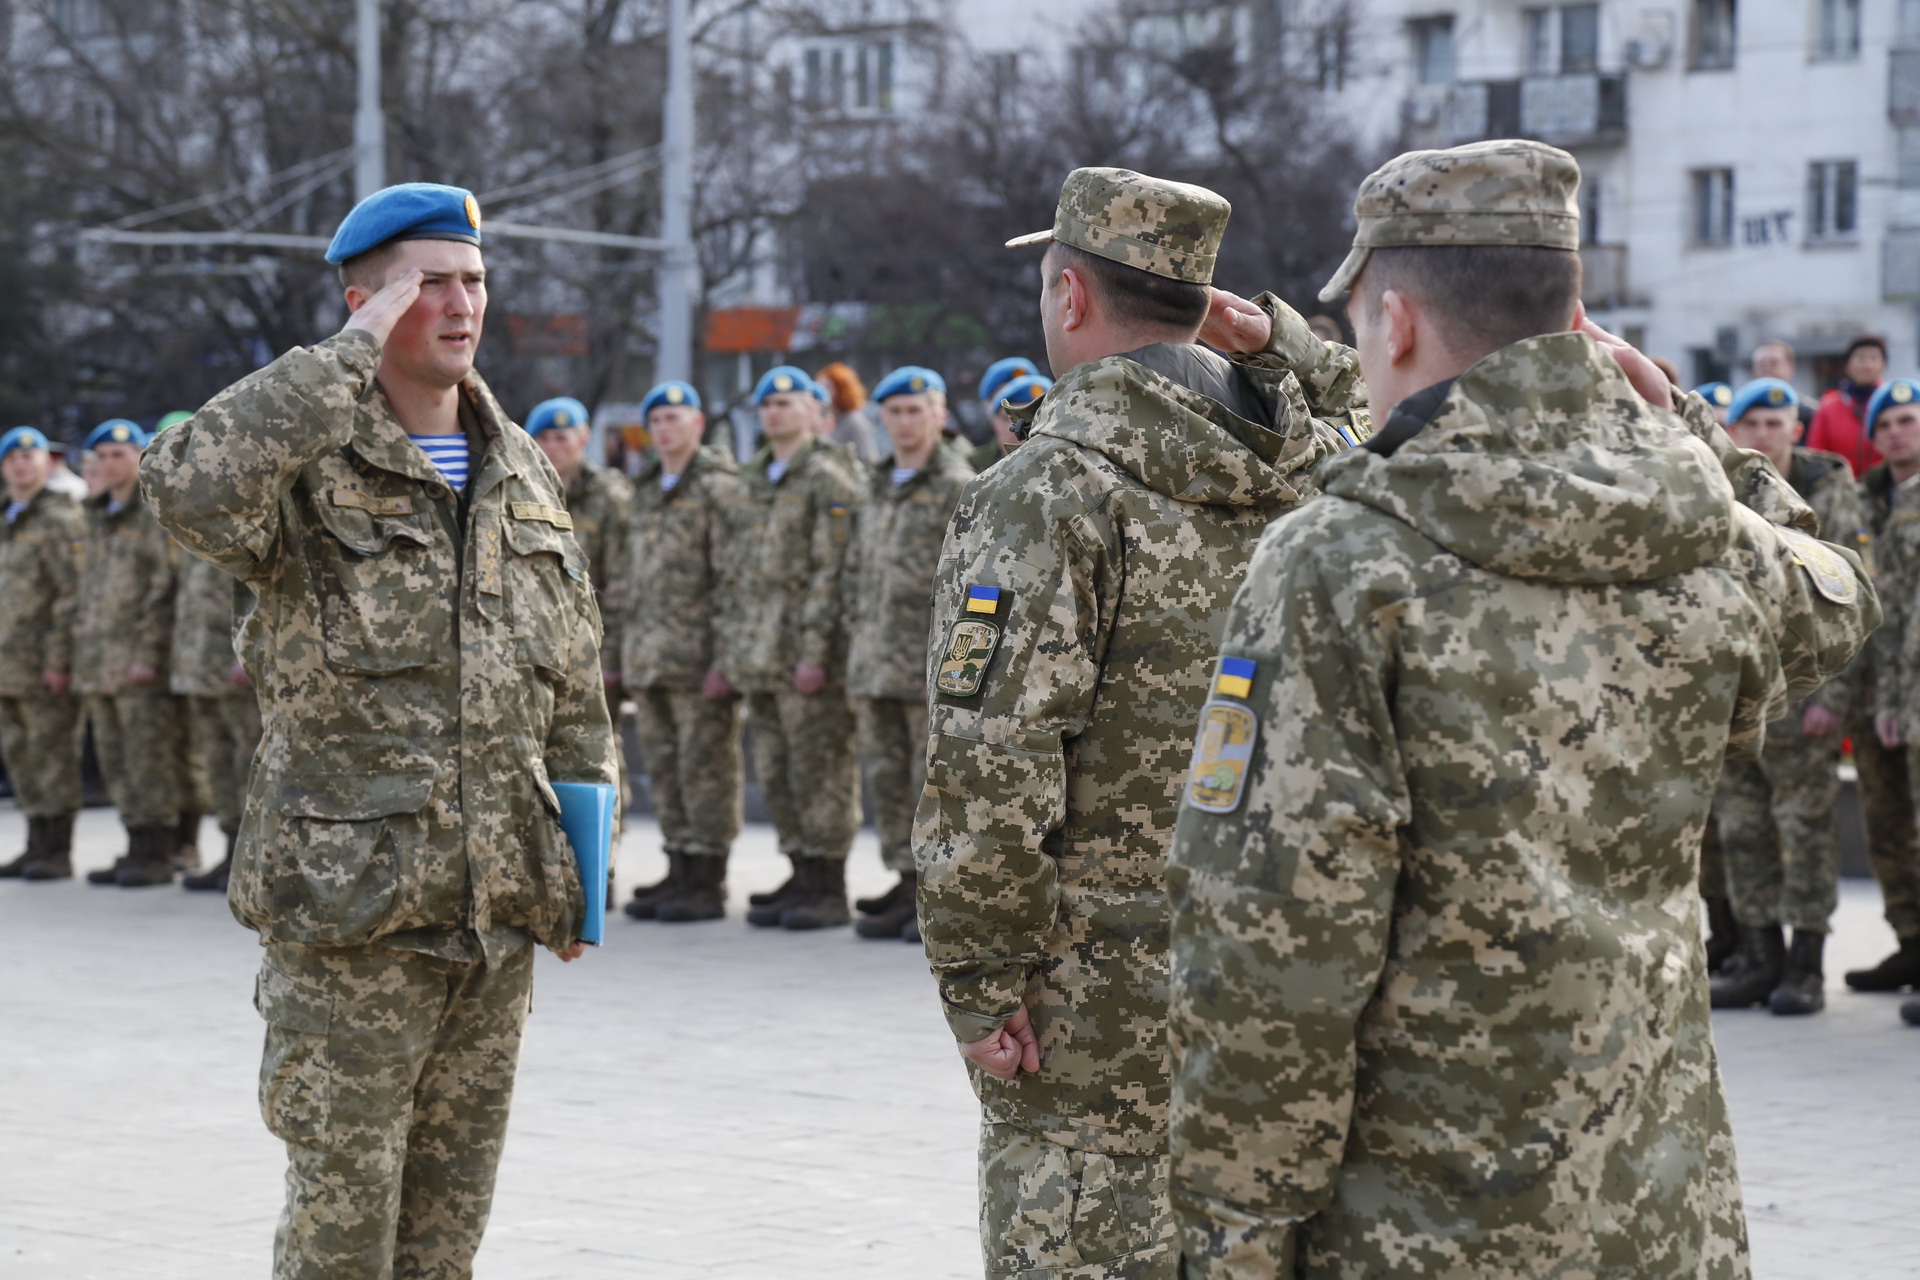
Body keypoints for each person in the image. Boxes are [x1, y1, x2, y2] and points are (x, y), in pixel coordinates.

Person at [1160, 139, 1877, 1279]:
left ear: (1393, 324)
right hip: (1655, 1206)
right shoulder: (1700, 538)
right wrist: (1686, 421)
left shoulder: (1339, 563)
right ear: (1579, 318)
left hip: (1423, 1221)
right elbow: (1840, 584)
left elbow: (1273, 949)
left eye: (1354, 328)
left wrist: (1232, 1236)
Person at [141, 181, 617, 1280]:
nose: (461, 304)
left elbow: (576, 697)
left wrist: (580, 876)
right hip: (351, 927)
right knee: (342, 1240)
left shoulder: (525, 477)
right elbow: (185, 487)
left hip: (492, 929)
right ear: (364, 302)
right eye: (427, 283)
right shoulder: (309, 467)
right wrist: (344, 354)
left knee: (444, 1242)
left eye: (474, 280)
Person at [913, 165, 1365, 1280]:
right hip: (1288, 977)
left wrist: (978, 977)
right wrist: (1282, 346)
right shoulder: (1323, 474)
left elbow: (994, 759)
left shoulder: (1048, 489)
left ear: (1069, 298)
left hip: (1097, 1006)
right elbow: (1378, 412)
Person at [1707, 378, 1870, 1016]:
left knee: (1804, 828)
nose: (1765, 435)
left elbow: (1858, 598)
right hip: (1742, 688)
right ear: (1737, 435)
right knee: (1743, 827)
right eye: (1752, 426)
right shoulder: (1722, 491)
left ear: (1796, 430)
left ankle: (1806, 963)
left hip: (1808, 694)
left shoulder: (1832, 497)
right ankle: (1758, 954)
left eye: (1777, 424)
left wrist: (1840, 694)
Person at [728, 365, 864, 930]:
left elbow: (830, 573)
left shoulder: (829, 477)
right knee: (779, 771)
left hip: (805, 654)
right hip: (760, 651)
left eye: (788, 402)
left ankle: (827, 884)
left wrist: (816, 652)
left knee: (820, 770)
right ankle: (799, 870)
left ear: (814, 411)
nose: (776, 412)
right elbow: (739, 571)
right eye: (768, 403)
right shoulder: (753, 477)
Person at [843, 366, 974, 941]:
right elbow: (858, 573)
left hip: (927, 667)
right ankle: (903, 880)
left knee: (934, 789)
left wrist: (951, 665)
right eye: (893, 412)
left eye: (914, 411)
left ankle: (936, 896)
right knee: (889, 781)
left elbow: (971, 584)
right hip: (876, 661)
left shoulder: (957, 485)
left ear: (939, 416)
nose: (903, 422)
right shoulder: (873, 483)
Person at [619, 380, 746, 923]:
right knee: (666, 770)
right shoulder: (644, 489)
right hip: (651, 657)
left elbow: (732, 578)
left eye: (677, 417)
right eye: (658, 420)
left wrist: (724, 659)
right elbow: (630, 580)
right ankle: (678, 864)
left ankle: (707, 878)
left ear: (697, 424)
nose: (666, 428)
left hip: (698, 659)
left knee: (706, 768)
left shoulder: (718, 487)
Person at [74, 418, 187, 887]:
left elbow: (164, 588)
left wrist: (148, 653)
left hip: (138, 662)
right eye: (102, 456)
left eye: (120, 454)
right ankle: (134, 844)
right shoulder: (97, 514)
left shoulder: (153, 510)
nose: (110, 463)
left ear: (140, 456)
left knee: (148, 758)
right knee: (117, 762)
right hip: (98, 661)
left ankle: (160, 852)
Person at [525, 395, 633, 823]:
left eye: (563, 436)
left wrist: (615, 652)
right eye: (545, 437)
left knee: (599, 758)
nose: (554, 447)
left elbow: (626, 580)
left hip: (595, 648)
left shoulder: (611, 496)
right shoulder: (523, 488)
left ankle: (603, 870)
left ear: (584, 438)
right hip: (540, 647)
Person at [0, 427, 86, 880]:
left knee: (52, 754)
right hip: (6, 663)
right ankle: (34, 841)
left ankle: (57, 849)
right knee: (21, 756)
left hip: (40, 662)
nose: (22, 464)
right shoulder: (6, 518)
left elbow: (70, 594)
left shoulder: (60, 518)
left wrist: (58, 660)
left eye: (31, 457)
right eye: (13, 457)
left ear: (47, 464)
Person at [1860, 379, 1920, 1009]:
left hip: (1913, 693)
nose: (1898, 432)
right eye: (1886, 424)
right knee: (1889, 828)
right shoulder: (1869, 502)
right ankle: (1911, 941)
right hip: (1881, 694)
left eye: (1908, 419)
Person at [168, 544, 262, 892]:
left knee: (248, 764)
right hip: (199, 666)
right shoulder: (192, 530)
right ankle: (232, 853)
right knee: (217, 765)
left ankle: (258, 860)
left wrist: (250, 653)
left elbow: (264, 594)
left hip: (235, 668)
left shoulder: (244, 527)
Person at [1806, 334, 1888, 477]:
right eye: (1861, 358)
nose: (1867, 365)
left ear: (1883, 365)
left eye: (1874, 358)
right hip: (1840, 489)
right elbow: (1816, 452)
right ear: (1847, 365)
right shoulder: (1829, 405)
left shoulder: (1891, 404)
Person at [970, 373, 1051, 473]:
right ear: (994, 420)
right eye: (1006, 418)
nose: (1016, 426)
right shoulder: (971, 467)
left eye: (1030, 418)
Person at [815, 361, 884, 464]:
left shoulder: (855, 421)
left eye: (827, 387)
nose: (822, 392)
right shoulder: (827, 420)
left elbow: (867, 459)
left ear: (842, 390)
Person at [1751, 339, 1814, 435]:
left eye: (1773, 363)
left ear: (1790, 368)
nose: (1766, 369)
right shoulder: (1742, 410)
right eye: (1761, 364)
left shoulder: (1809, 413)